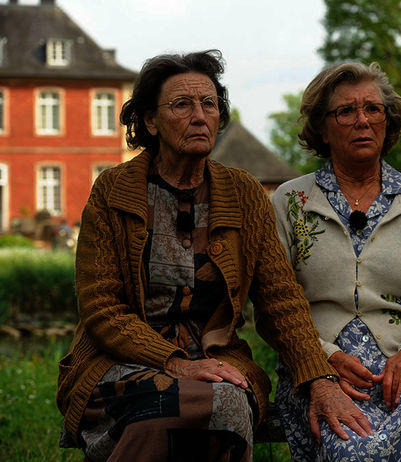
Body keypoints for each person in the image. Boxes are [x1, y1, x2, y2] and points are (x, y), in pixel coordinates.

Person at [56, 50, 372, 462]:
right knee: (161, 408)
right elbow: (100, 306)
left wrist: (318, 376)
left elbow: (280, 300)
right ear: (151, 121)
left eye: (209, 104)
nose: (200, 116)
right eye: (182, 104)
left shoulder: (242, 193)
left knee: (229, 403)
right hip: (120, 361)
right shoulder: (114, 190)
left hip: (215, 363)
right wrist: (172, 361)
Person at [271, 61, 401, 461]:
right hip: (317, 367)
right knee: (352, 447)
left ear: (388, 120)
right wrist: (321, 358)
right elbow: (271, 309)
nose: (363, 120)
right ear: (322, 128)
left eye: (373, 109)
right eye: (346, 111)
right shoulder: (290, 201)